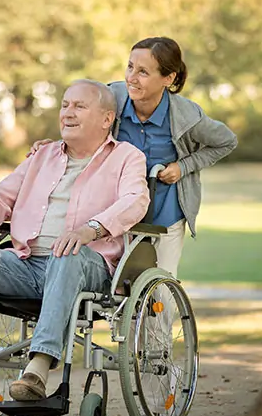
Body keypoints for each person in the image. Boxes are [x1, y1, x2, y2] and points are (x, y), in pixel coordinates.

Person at [0, 79, 150, 403]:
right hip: (27, 265)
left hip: (88, 265)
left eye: (79, 106)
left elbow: (135, 201)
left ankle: (37, 370)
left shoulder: (127, 157)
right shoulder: (42, 156)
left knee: (67, 251)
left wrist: (89, 230)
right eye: (65, 105)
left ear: (106, 118)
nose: (67, 113)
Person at [30, 37, 238, 279]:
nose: (132, 77)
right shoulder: (112, 96)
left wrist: (184, 166)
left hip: (163, 214)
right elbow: (82, 126)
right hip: (113, 208)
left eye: (143, 72)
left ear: (168, 79)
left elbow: (226, 141)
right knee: (111, 289)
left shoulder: (187, 115)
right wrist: (54, 147)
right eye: (130, 67)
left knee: (160, 290)